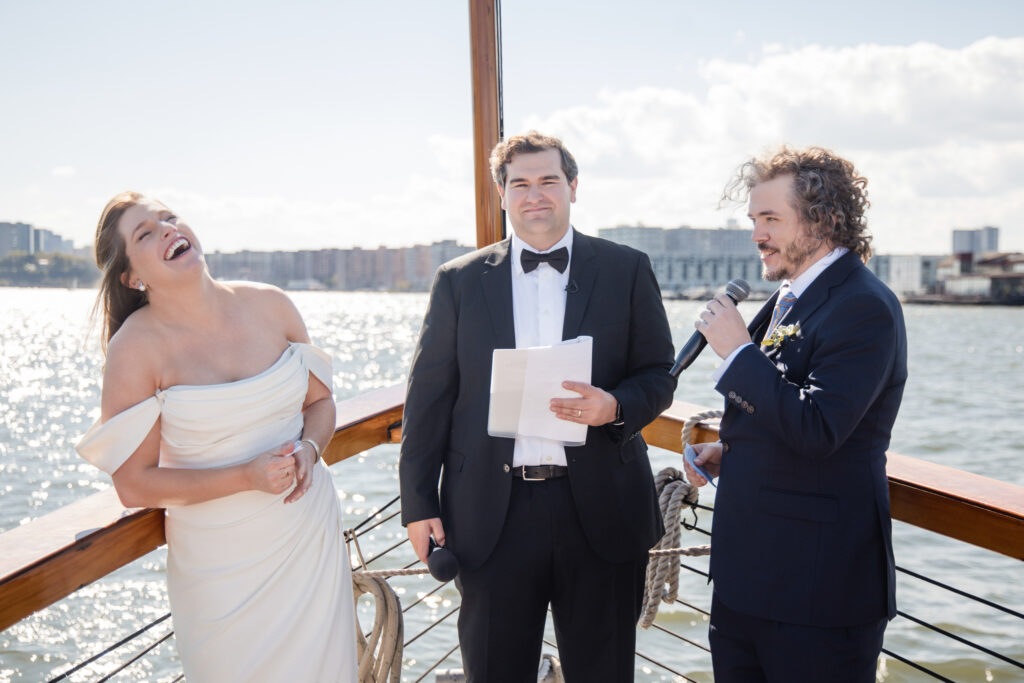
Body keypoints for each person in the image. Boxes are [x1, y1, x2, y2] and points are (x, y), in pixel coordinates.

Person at [399, 131, 675, 682]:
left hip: (601, 509)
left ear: (573, 187)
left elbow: (658, 375)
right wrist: (417, 502)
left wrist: (614, 406)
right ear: (502, 195)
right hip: (491, 516)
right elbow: (428, 399)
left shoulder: (627, 268)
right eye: (520, 183)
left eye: (549, 180)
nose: (535, 195)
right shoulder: (457, 281)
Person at [76, 192, 357, 682]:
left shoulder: (272, 304)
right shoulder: (134, 349)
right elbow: (134, 485)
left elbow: (320, 403)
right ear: (131, 276)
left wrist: (311, 449)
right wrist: (246, 477)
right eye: (145, 233)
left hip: (307, 540)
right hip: (220, 571)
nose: (167, 229)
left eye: (169, 218)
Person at [684, 147, 907, 682]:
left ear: (823, 219)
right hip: (746, 584)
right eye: (754, 220)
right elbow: (781, 408)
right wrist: (731, 452)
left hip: (818, 595)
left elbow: (820, 428)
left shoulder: (865, 306)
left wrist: (739, 354)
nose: (757, 234)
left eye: (771, 219)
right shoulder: (786, 296)